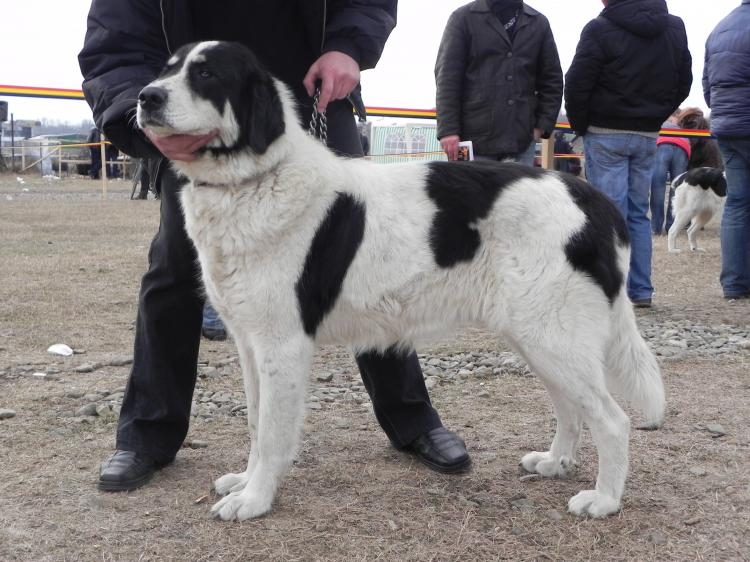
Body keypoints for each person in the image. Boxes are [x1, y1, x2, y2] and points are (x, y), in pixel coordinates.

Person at [78, 1, 471, 492]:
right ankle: (147, 435)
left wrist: (347, 47)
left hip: (312, 94)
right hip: (193, 116)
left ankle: (413, 420)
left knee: (369, 261)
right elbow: (115, 39)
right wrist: (134, 116)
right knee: (175, 270)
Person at [564, 0, 692, 308]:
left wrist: (582, 125)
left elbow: (578, 82)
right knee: (638, 213)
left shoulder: (599, 28)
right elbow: (683, 81)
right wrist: (656, 114)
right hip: (647, 132)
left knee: (609, 213)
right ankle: (641, 290)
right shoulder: (673, 28)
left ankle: (611, 292)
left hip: (605, 131)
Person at [434, 0, 563, 165]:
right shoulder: (462, 18)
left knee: (521, 192)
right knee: (468, 191)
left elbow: (552, 79)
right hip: (470, 140)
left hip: (521, 141)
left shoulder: (538, 22)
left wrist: (541, 127)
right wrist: (449, 131)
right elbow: (447, 78)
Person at [703, 0, 750, 300]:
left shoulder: (720, 27)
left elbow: (707, 85)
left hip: (727, 126)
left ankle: (734, 283)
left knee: (737, 204)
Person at [650, 110, 691, 235]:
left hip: (661, 143)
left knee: (658, 187)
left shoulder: (657, 121)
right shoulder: (680, 127)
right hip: (683, 146)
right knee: (676, 189)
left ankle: (655, 227)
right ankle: (671, 226)